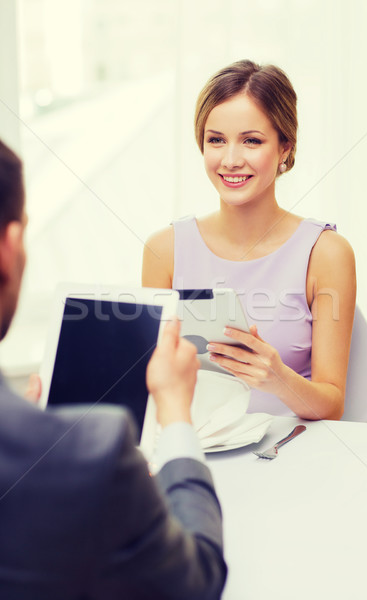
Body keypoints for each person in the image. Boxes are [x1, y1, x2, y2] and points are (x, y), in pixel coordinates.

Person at [0, 139, 227, 599]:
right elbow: (195, 581)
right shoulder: (89, 456)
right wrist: (176, 414)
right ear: (12, 243)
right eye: (216, 140)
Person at [142, 59, 356, 421]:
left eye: (251, 141)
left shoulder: (326, 253)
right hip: (198, 453)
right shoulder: (164, 250)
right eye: (216, 140)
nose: (230, 160)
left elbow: (332, 406)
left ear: (285, 148)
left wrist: (277, 377)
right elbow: (154, 382)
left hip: (290, 454)